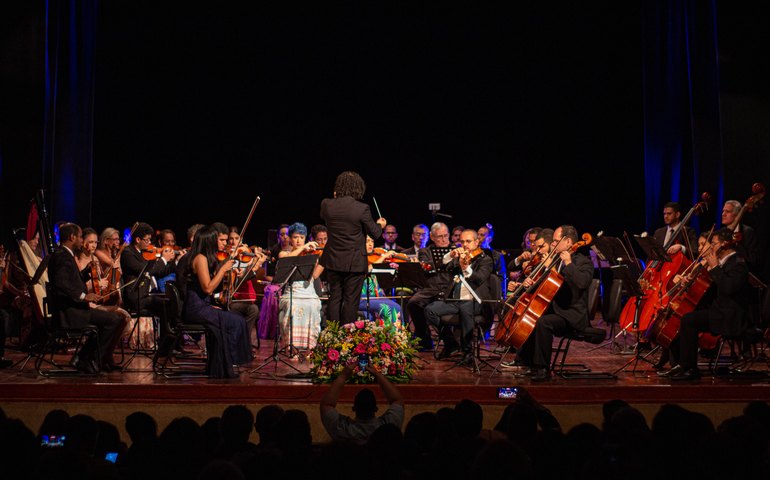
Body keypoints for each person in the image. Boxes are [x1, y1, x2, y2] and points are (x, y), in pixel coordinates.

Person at [512, 225, 594, 381]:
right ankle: (528, 363)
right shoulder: (555, 260)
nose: (553, 244)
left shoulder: (583, 262)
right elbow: (547, 286)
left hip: (572, 315)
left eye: (556, 241)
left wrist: (568, 264)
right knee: (532, 317)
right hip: (556, 310)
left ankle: (542, 369)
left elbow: (582, 283)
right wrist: (528, 284)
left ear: (568, 242)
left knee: (543, 322)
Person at [669, 227, 750, 381]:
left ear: (725, 244)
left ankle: (690, 369)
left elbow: (728, 288)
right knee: (682, 316)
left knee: (689, 320)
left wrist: (714, 267)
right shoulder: (724, 262)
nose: (711, 247)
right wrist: (690, 282)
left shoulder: (738, 263)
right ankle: (681, 364)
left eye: (714, 243)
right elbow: (712, 289)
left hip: (731, 316)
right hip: (719, 311)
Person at [47, 223, 124, 373]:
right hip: (70, 312)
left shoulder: (65, 254)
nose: (82, 241)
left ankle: (84, 358)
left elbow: (69, 281)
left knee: (113, 319)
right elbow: (61, 283)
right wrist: (84, 296)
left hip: (74, 308)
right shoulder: (62, 256)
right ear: (72, 237)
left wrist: (84, 274)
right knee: (114, 320)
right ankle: (93, 359)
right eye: (81, 237)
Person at [181, 225, 251, 378]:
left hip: (201, 306)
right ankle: (231, 361)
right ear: (209, 241)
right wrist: (223, 269)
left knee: (235, 318)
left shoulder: (202, 257)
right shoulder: (200, 258)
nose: (223, 244)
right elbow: (207, 288)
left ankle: (224, 365)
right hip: (196, 309)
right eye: (217, 240)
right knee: (236, 321)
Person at [319, 171, 386, 325]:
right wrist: (380, 224)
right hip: (354, 262)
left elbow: (326, 216)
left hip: (333, 259)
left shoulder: (326, 204)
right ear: (358, 188)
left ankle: (332, 334)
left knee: (334, 297)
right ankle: (346, 335)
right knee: (350, 300)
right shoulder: (361, 208)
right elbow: (375, 234)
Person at [424, 229, 495, 365]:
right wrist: (450, 255)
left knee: (465, 308)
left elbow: (479, 279)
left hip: (475, 301)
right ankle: (451, 343)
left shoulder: (485, 260)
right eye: (462, 242)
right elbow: (441, 266)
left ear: (476, 242)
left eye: (468, 241)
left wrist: (466, 267)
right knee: (430, 310)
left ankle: (468, 352)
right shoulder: (458, 257)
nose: (465, 245)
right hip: (455, 300)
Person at [320, 364, 404, 445]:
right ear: (375, 408)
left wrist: (343, 376)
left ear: (354, 408)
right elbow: (397, 400)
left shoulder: (342, 430)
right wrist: (377, 374)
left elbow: (326, 405)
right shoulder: (387, 430)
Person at [407, 222, 455, 351]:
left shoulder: (456, 250)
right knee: (413, 302)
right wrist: (443, 260)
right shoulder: (425, 251)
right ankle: (425, 339)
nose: (444, 239)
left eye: (446, 235)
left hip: (451, 287)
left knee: (433, 308)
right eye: (440, 237)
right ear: (432, 237)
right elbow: (427, 269)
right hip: (431, 288)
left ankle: (449, 340)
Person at [277, 222, 323, 354]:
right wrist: (303, 249)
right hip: (291, 294)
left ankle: (311, 347)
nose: (299, 240)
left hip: (309, 293)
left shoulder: (311, 255)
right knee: (293, 305)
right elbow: (287, 260)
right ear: (290, 239)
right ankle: (291, 348)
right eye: (296, 237)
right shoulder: (284, 253)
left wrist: (324, 260)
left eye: (302, 238)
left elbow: (314, 275)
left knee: (313, 304)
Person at [227, 226, 265, 348]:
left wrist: (254, 263)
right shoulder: (226, 256)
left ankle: (243, 340)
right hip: (233, 298)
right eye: (230, 239)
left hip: (246, 297)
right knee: (253, 309)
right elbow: (237, 280)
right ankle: (243, 342)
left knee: (253, 308)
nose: (233, 242)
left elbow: (250, 276)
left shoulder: (246, 256)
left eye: (236, 238)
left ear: (241, 239)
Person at [361, 235, 402, 325]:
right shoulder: (357, 258)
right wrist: (384, 257)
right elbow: (367, 270)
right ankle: (390, 336)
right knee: (389, 307)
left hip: (376, 297)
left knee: (397, 306)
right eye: (367, 241)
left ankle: (397, 337)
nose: (370, 244)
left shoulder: (373, 258)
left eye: (372, 241)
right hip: (362, 298)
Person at [721, 199, 759, 269]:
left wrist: (737, 244)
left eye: (727, 211)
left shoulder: (747, 232)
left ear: (737, 215)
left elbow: (752, 260)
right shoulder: (722, 232)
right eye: (723, 211)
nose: (723, 214)